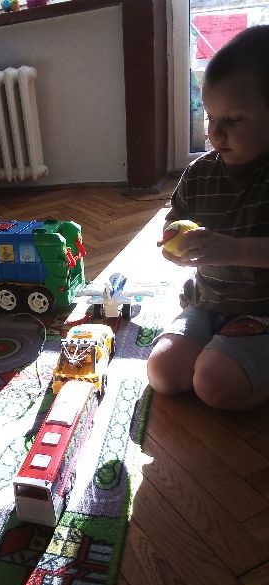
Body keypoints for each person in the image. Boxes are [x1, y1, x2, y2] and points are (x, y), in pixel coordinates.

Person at [147, 25, 269, 411]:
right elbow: (174, 221)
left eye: (233, 120)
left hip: (263, 311)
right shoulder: (200, 173)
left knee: (213, 384)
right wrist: (172, 244)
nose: (215, 133)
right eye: (210, 117)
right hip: (209, 300)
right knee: (163, 372)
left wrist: (233, 250)